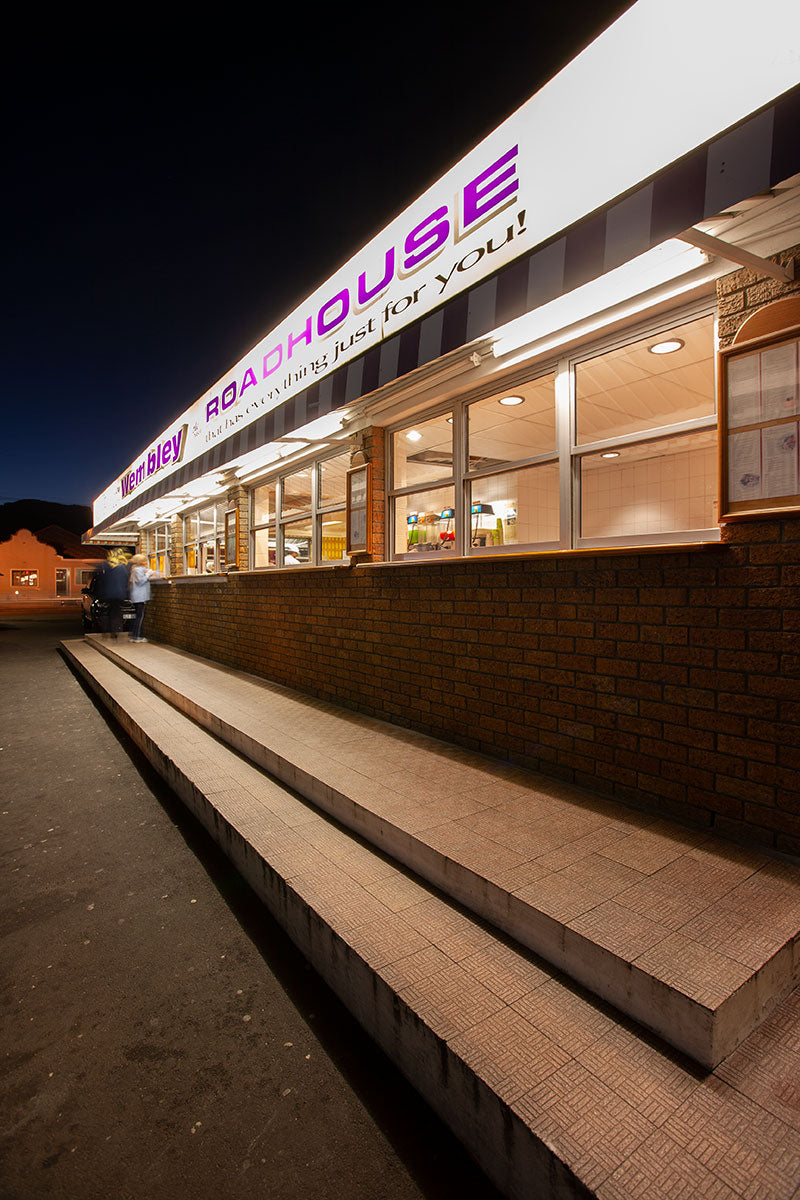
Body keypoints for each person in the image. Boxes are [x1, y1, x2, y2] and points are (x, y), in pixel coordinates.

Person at [128, 555, 161, 642]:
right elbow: (140, 581)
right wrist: (148, 574)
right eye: (144, 561)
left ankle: (134, 635)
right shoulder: (137, 570)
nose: (146, 562)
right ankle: (136, 636)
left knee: (137, 617)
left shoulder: (138, 569)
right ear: (141, 562)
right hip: (139, 597)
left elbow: (152, 572)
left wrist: (153, 573)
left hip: (138, 597)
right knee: (139, 617)